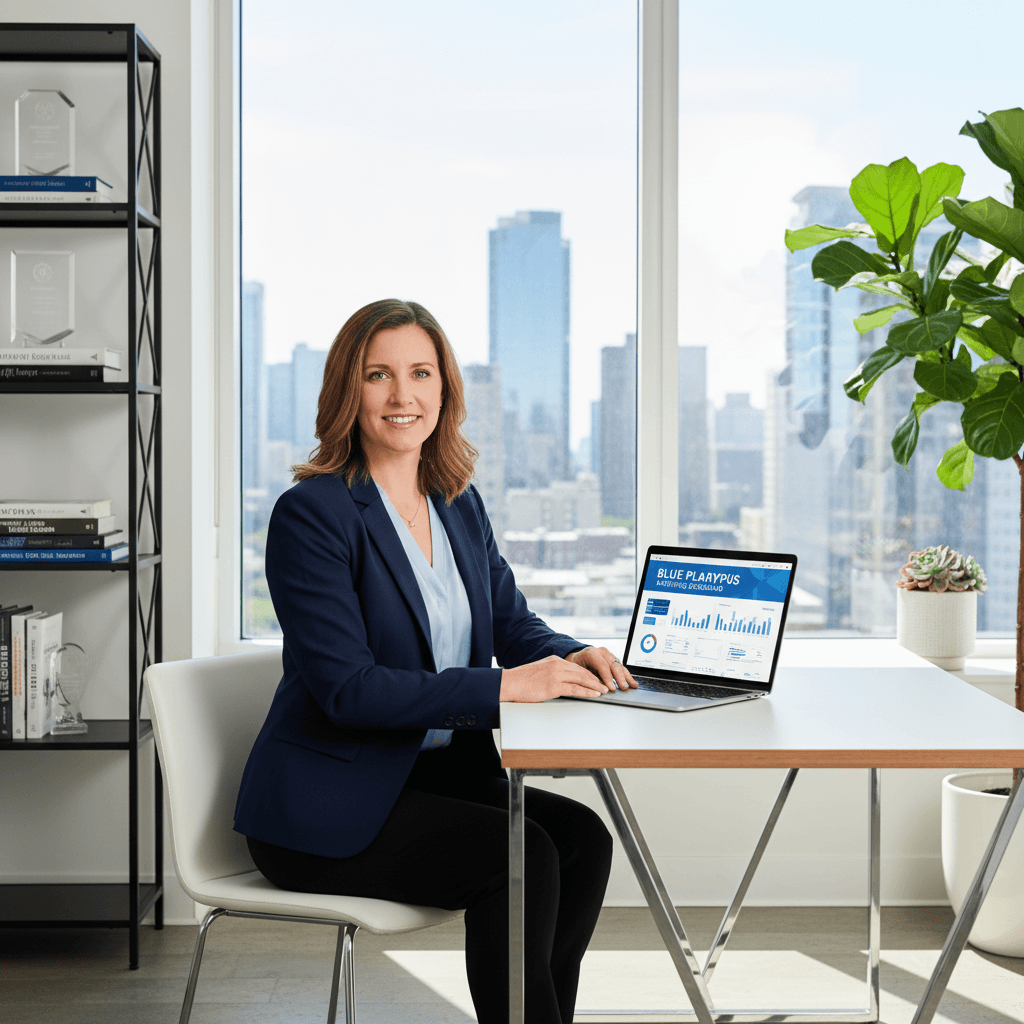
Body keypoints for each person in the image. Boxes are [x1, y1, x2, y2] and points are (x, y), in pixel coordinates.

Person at [234, 298, 637, 1024]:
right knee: (523, 859)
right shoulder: (313, 514)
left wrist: (570, 655)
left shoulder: (456, 502)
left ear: (445, 390)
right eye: (378, 375)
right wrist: (506, 687)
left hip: (430, 780)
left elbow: (512, 625)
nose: (402, 395)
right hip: (328, 806)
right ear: (345, 391)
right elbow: (347, 691)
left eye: (421, 373)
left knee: (580, 841)